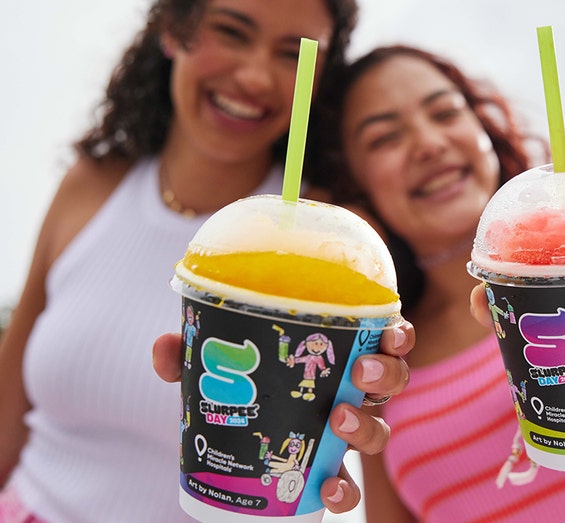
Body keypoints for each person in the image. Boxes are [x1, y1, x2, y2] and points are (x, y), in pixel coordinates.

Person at [0, 1, 416, 522]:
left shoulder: (338, 248)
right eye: (231, 31)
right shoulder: (91, 185)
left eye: (293, 54)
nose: (255, 76)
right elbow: (6, 414)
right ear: (174, 30)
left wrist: (367, 388)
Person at [320, 45, 565, 522]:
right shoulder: (381, 360)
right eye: (384, 138)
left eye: (445, 112)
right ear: (355, 182)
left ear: (483, 129)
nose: (428, 143)